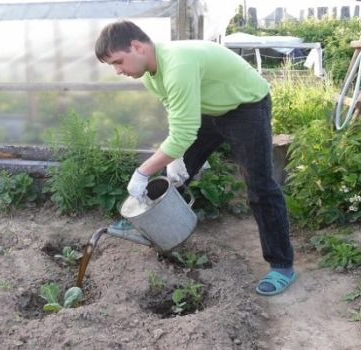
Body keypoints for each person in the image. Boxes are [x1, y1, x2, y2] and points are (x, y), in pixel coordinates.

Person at [95, 20, 296, 296]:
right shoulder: (150, 74)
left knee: (260, 185)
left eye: (118, 62)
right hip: (208, 108)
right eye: (112, 66)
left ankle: (282, 264)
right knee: (175, 175)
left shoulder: (178, 64)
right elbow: (175, 112)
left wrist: (142, 172)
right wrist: (175, 159)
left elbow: (183, 135)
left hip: (245, 106)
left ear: (137, 46)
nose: (118, 71)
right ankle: (153, 228)